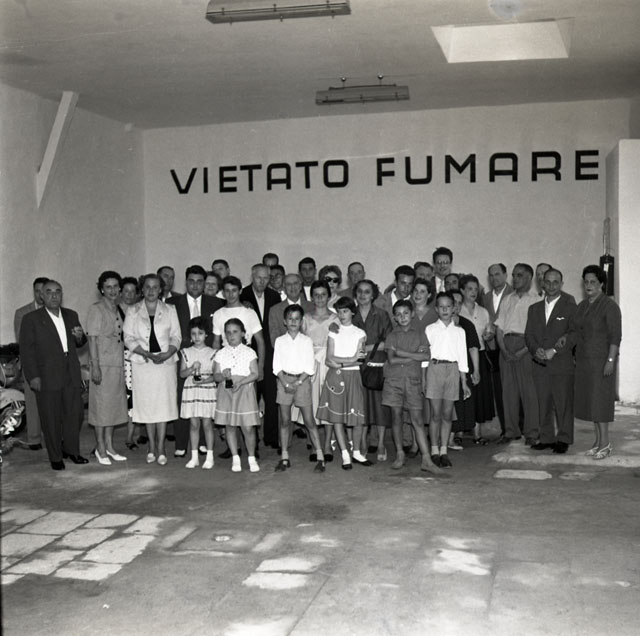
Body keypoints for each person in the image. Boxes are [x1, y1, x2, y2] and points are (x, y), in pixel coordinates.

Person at [19, 279, 88, 470]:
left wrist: (80, 337)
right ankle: (55, 456)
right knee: (50, 418)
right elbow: (26, 351)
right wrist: (33, 376)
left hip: (71, 372)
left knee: (75, 415)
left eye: (57, 291)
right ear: (41, 295)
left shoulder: (71, 315)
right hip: (46, 375)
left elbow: (80, 342)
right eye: (49, 292)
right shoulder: (31, 319)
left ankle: (72, 451)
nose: (54, 295)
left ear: (62, 295)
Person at [123, 273, 181, 466]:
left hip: (165, 364)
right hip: (143, 363)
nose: (151, 290)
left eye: (155, 287)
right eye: (147, 287)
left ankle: (161, 448)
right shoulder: (133, 310)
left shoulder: (170, 309)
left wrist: (167, 353)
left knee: (163, 406)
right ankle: (151, 447)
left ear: (161, 289)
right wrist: (146, 353)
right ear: (142, 289)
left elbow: (176, 336)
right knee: (147, 406)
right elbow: (128, 338)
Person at [167, 265, 224, 457]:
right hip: (182, 355)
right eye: (191, 281)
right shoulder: (172, 303)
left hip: (207, 355)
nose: (195, 285)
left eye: (199, 281)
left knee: (204, 400)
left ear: (204, 283)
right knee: (182, 398)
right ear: (186, 282)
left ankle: (202, 442)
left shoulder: (216, 303)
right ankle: (181, 443)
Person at [569, 265, 621, 459]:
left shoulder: (609, 306)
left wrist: (610, 360)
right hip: (584, 362)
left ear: (601, 284)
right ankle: (597, 442)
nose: (589, 285)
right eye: (586, 282)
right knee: (591, 402)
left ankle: (606, 443)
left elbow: (615, 337)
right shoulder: (582, 306)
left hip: (602, 361)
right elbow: (576, 331)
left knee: (601, 402)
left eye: (593, 282)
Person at [382, 300, 441, 473]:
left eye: (406, 313)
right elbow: (392, 359)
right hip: (393, 380)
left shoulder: (420, 334)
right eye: (398, 314)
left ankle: (426, 458)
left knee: (417, 419)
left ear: (412, 314)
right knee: (396, 417)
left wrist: (402, 353)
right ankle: (400, 454)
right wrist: (414, 356)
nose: (403, 317)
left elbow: (426, 356)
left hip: (413, 381)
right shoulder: (392, 335)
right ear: (394, 317)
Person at [524, 268, 577, 454]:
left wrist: (554, 350)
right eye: (548, 282)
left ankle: (564, 439)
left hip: (561, 364)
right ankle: (546, 438)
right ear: (542, 284)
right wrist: (535, 349)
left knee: (563, 404)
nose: (552, 286)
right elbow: (529, 335)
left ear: (561, 284)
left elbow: (574, 334)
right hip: (540, 364)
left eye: (556, 282)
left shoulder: (570, 307)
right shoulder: (534, 309)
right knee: (543, 403)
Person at [272, 304, 325, 473]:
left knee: (309, 421)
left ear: (301, 321)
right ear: (284, 321)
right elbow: (276, 366)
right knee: (285, 420)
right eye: (290, 318)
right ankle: (284, 457)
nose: (293, 322)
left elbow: (309, 366)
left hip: (302, 381)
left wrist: (297, 383)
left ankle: (320, 457)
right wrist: (286, 383)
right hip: (284, 381)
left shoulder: (306, 341)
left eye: (296, 319)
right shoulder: (280, 341)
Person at [317, 296, 367, 470]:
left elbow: (360, 359)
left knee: (357, 416)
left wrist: (346, 361)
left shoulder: (360, 333)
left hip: (353, 376)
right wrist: (349, 360)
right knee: (337, 417)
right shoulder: (333, 332)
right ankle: (345, 453)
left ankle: (357, 452)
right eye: (339, 311)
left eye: (345, 311)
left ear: (352, 312)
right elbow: (330, 358)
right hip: (336, 376)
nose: (342, 315)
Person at [495, 263, 540, 445]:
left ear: (529, 278)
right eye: (513, 275)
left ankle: (532, 433)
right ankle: (511, 431)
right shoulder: (507, 299)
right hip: (506, 346)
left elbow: (537, 333)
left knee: (529, 392)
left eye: (519, 275)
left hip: (526, 347)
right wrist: (504, 350)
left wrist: (523, 351)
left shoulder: (536, 300)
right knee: (508, 392)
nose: (515, 279)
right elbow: (499, 328)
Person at [86, 271, 129, 465]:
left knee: (113, 407)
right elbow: (92, 339)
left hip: (117, 364)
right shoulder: (96, 309)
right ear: (102, 289)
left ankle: (110, 446)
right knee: (101, 408)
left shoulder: (118, 308)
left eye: (115, 287)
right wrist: (95, 366)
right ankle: (100, 447)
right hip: (102, 365)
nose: (112, 290)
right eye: (108, 287)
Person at [424, 292, 471, 468]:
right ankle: (434, 450)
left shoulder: (459, 332)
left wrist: (464, 382)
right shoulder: (430, 329)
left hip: (452, 370)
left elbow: (462, 358)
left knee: (447, 413)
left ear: (454, 308)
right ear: (436, 309)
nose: (445, 309)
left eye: (448, 306)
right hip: (434, 369)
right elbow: (425, 357)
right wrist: (424, 378)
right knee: (435, 414)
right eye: (441, 306)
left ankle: (444, 451)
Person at [240, 264, 281, 449]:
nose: (263, 281)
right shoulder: (243, 295)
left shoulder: (274, 296)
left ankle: (271, 437)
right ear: (252, 276)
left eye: (266, 278)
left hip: (270, 353)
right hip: (248, 353)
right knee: (251, 399)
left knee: (271, 397)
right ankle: (252, 441)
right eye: (259, 278)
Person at [213, 318, 261, 473]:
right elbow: (216, 376)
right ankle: (235, 458)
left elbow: (255, 373)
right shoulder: (220, 353)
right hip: (227, 392)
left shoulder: (249, 352)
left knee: (248, 427)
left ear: (242, 333)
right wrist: (223, 375)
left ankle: (251, 458)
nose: (231, 335)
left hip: (244, 390)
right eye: (228, 332)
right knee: (230, 425)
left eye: (235, 332)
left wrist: (241, 382)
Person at [352, 279, 392, 461]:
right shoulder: (350, 314)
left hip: (377, 365)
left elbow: (388, 342)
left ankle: (381, 443)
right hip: (355, 366)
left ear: (373, 295)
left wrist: (365, 348)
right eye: (360, 291)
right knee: (361, 406)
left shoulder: (382, 315)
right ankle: (362, 442)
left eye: (367, 291)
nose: (363, 295)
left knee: (379, 406)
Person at [300, 280, 340, 461]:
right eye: (316, 295)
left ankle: (327, 444)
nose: (320, 298)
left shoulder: (336, 318)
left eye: (323, 295)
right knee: (311, 403)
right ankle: (314, 443)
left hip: (329, 363)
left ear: (329, 296)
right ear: (311, 297)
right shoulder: (305, 318)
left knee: (328, 403)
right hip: (310, 364)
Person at [459, 274, 495, 444]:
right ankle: (458, 433)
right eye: (469, 289)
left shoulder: (483, 311)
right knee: (462, 394)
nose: (473, 292)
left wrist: (489, 336)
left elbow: (488, 333)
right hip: (461, 356)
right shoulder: (457, 310)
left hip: (479, 355)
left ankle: (477, 434)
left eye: (475, 289)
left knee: (479, 394)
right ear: (462, 291)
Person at [13, 276, 48, 450]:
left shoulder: (55, 311)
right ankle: (34, 439)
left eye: (44, 291)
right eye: (37, 291)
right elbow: (22, 341)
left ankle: (53, 437)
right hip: (31, 363)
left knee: (52, 402)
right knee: (32, 401)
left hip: (51, 364)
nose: (40, 295)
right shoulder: (22, 312)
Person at [179, 316, 217, 469]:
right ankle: (194, 457)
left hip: (207, 390)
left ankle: (210, 456)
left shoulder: (213, 353)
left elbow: (216, 376)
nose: (197, 337)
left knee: (207, 424)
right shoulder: (186, 352)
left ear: (206, 334)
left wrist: (203, 381)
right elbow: (182, 374)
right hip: (191, 390)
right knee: (194, 424)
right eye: (193, 334)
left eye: (200, 333)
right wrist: (191, 369)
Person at [483, 263, 512, 438]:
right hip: (492, 350)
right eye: (491, 275)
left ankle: (517, 426)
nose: (494, 278)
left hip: (509, 348)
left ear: (505, 275)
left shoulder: (513, 294)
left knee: (512, 390)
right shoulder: (485, 297)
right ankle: (505, 428)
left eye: (497, 274)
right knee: (499, 391)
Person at [449, 290, 480, 449]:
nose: (456, 306)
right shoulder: (437, 325)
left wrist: (476, 370)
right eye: (453, 302)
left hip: (463, 369)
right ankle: (445, 439)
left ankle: (453, 437)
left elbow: (473, 348)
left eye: (459, 303)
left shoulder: (467, 325)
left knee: (461, 404)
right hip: (443, 370)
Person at [119, 276, 142, 450]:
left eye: (133, 291)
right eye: (126, 291)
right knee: (121, 397)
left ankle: (132, 436)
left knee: (135, 397)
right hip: (119, 359)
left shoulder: (140, 310)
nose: (129, 294)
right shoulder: (113, 310)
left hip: (137, 358)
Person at [269, 273, 313, 346]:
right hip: (285, 351)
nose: (293, 287)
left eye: (295, 283)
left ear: (300, 286)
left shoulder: (312, 307)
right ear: (284, 288)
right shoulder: (274, 311)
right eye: (289, 284)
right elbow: (274, 340)